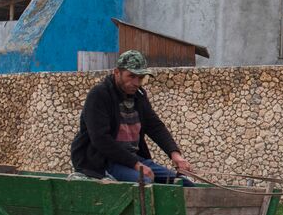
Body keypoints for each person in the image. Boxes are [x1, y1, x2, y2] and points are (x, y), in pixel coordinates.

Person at [70, 50, 193, 186]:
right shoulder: (99, 95)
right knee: (144, 183)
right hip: (102, 161)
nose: (136, 82)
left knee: (183, 183)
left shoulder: (139, 95)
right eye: (131, 76)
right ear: (117, 72)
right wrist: (136, 165)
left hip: (132, 159)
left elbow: (155, 127)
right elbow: (101, 139)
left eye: (140, 78)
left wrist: (175, 154)